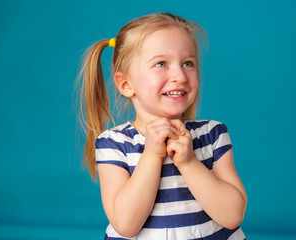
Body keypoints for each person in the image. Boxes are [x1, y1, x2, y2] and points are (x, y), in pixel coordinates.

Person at [78, 12, 247, 240]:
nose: (180, 75)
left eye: (188, 63)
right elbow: (126, 224)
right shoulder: (114, 144)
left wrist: (189, 163)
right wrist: (151, 155)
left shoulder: (212, 134)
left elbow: (233, 214)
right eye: (161, 64)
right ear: (126, 84)